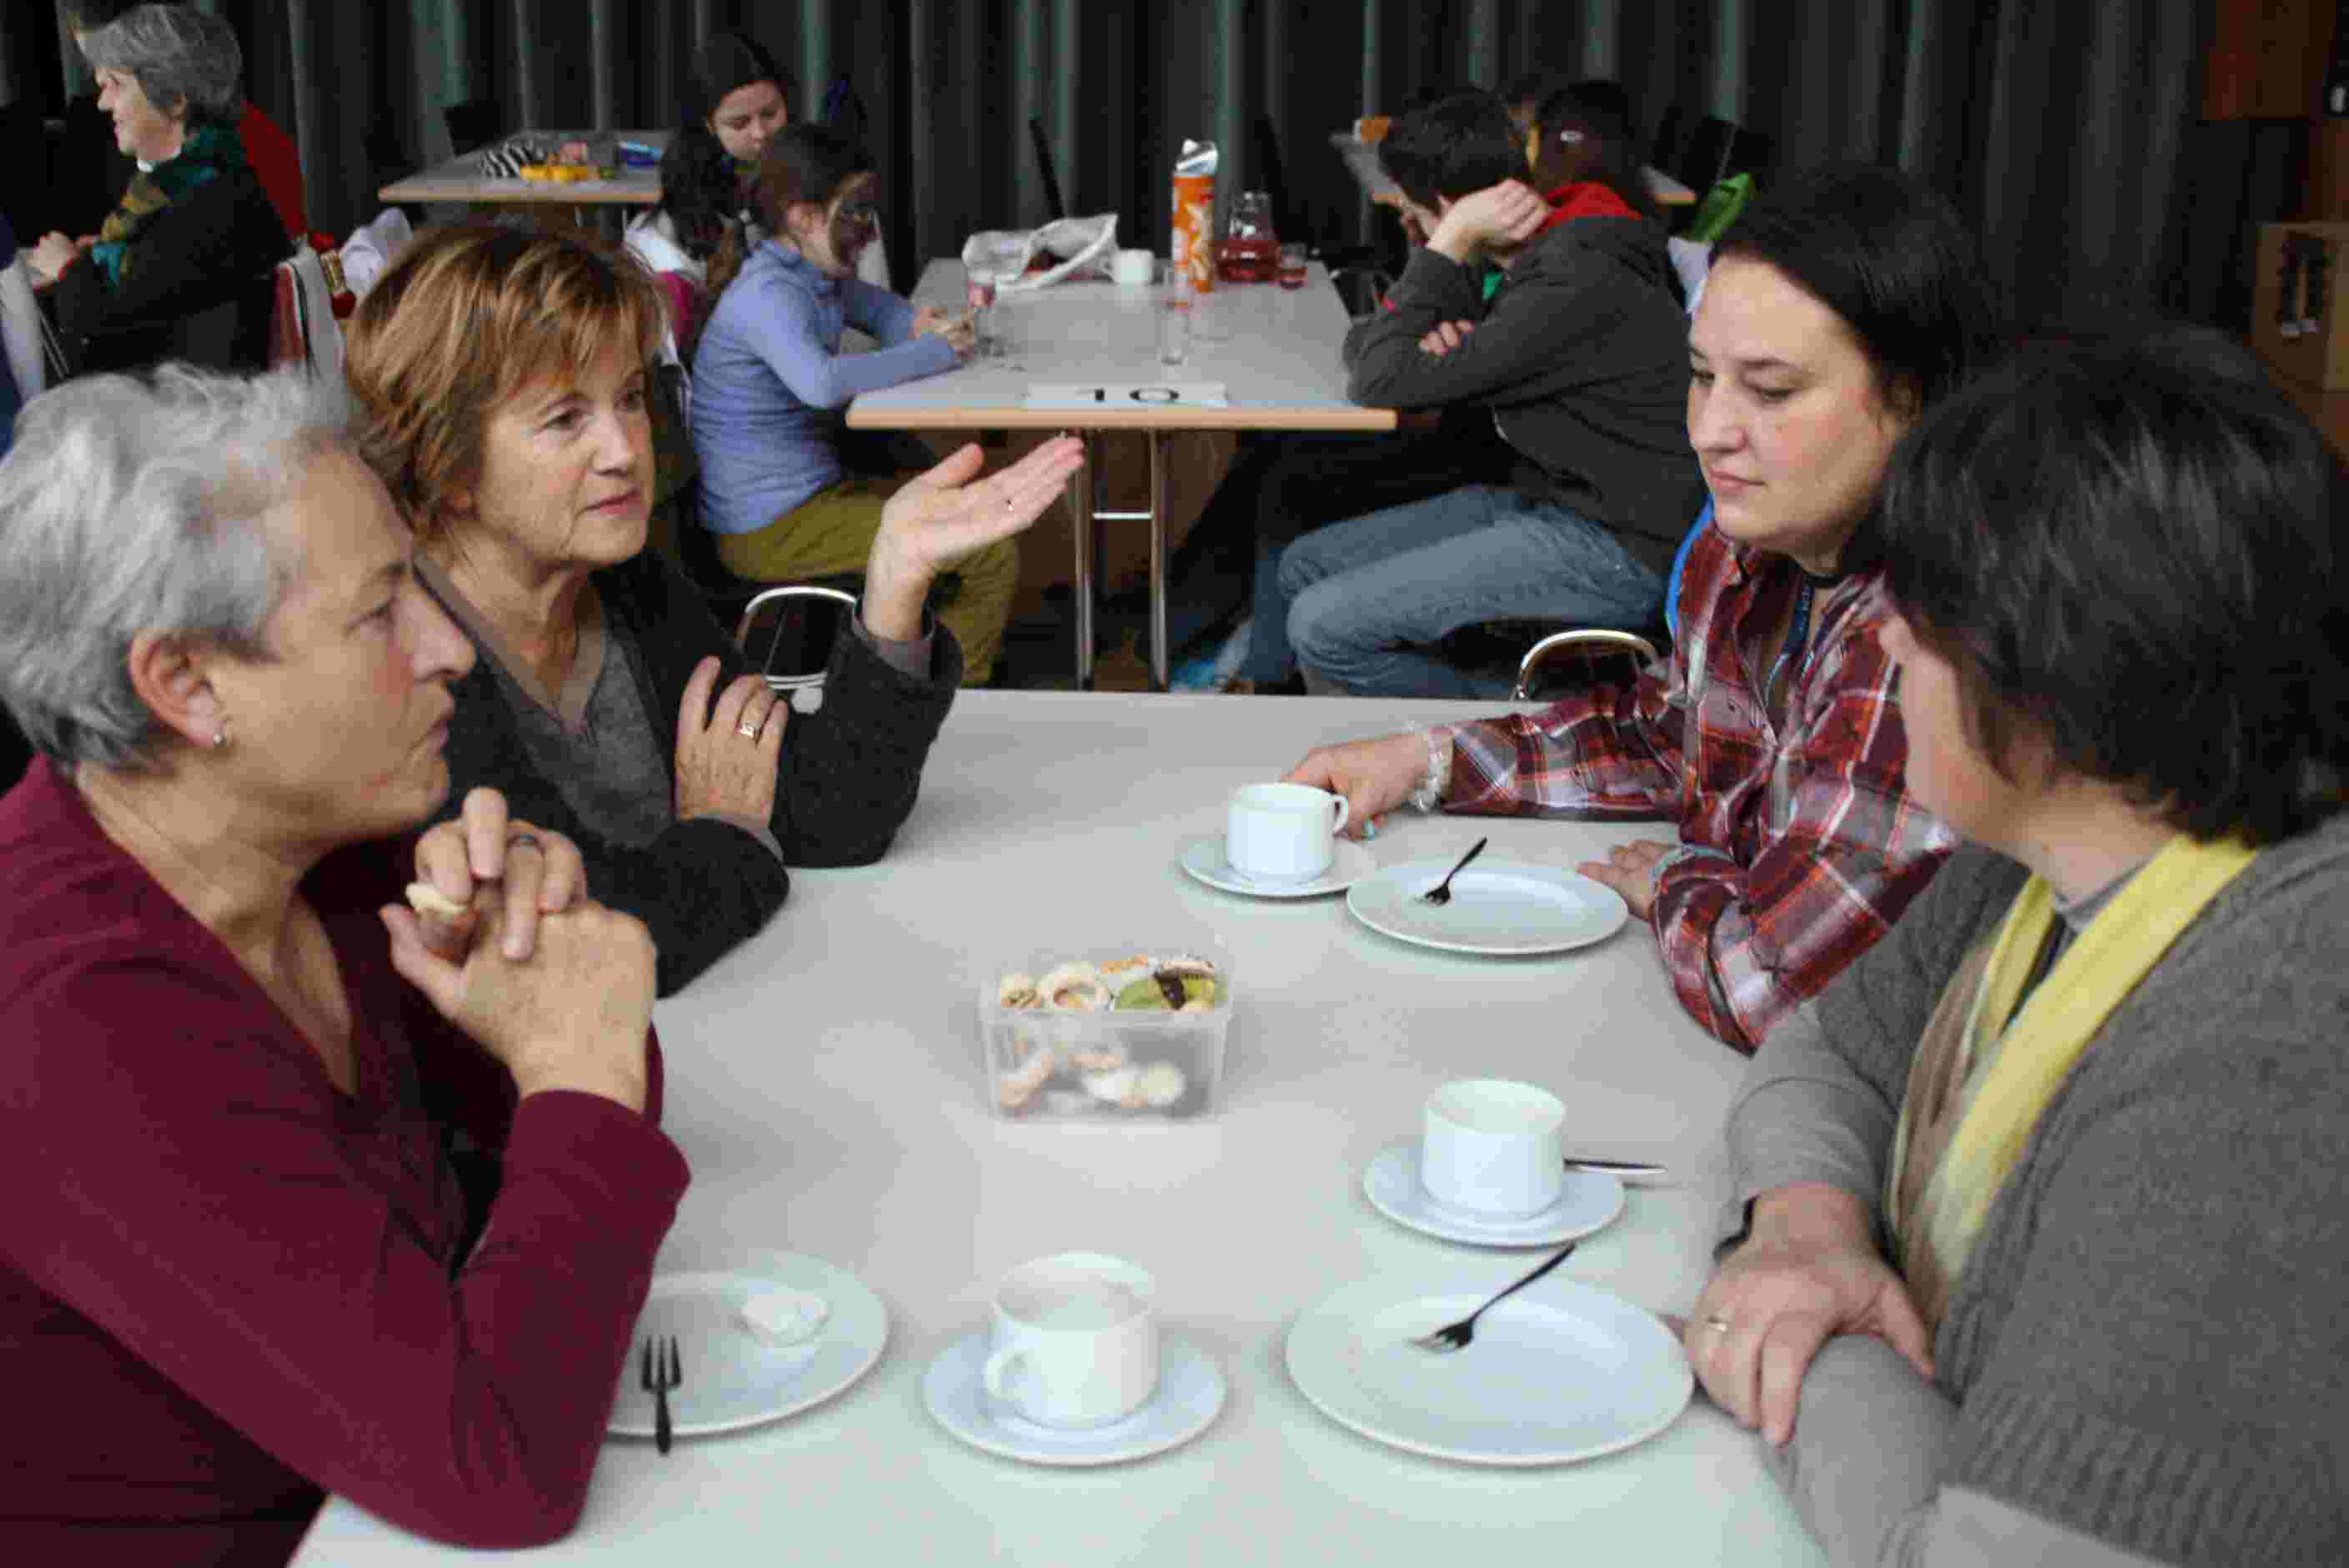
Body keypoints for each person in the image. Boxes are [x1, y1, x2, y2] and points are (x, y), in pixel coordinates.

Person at [1684, 326, 2349, 1565]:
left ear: (2063, 669)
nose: (1885, 641)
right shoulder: (2045, 858)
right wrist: (1808, 1235)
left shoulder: (2271, 1050)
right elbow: (1830, 1051)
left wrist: (1806, 1342)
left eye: (1923, 612)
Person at [0, 365, 687, 1564]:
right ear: (184, 683)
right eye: (380, 612)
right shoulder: (76, 1018)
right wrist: (577, 1073)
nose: (448, 648)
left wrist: (535, 971)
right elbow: (498, 1466)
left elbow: (568, 1166)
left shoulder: (313, 851)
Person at [1284, 165, 2007, 1052]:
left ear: (1913, 401)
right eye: (1702, 376)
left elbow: (1766, 988)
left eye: (1771, 391)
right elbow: (1666, 737)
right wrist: (1422, 758)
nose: (1709, 431)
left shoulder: (1929, 639)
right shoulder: (1743, 547)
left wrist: (1673, 878)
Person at [346, 223, 1078, 996]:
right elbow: (575, 948)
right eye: (565, 419)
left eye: (630, 399)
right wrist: (726, 834)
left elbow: (823, 813)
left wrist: (894, 587)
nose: (625, 450)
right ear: (447, 462)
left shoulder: (624, 583)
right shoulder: (403, 665)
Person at [1266, 90, 1703, 698]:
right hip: (1552, 502)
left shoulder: (1570, 278)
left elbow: (1377, 378)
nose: (1413, 231)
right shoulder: (1532, 254)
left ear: (1452, 209)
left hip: (1621, 545)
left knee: (1322, 627)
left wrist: (1450, 240)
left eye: (1414, 215)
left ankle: (1525, 728)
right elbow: (1375, 347)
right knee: (1303, 565)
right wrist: (1446, 277)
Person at [691, 124, 1021, 681]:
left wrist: (921, 324)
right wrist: (934, 352)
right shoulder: (769, 294)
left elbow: (883, 312)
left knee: (967, 500)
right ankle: (948, 698)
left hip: (810, 497)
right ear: (803, 218)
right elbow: (820, 383)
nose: (868, 231)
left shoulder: (813, 275)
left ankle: (929, 668)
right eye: (855, 212)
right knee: (990, 547)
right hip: (770, 530)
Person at [27, 3, 290, 376]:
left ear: (175, 99)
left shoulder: (212, 205)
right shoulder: (208, 181)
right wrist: (103, 254)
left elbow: (97, 315)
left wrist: (68, 266)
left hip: (179, 404)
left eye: (116, 85)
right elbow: (155, 276)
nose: (102, 103)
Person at [53, 3, 305, 243]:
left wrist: (77, 266)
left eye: (116, 82)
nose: (103, 101)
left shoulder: (220, 177)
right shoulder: (210, 148)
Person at [624, 30, 794, 359]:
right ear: (709, 126)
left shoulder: (813, 177)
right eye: (739, 123)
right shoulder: (664, 234)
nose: (760, 134)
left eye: (770, 114)